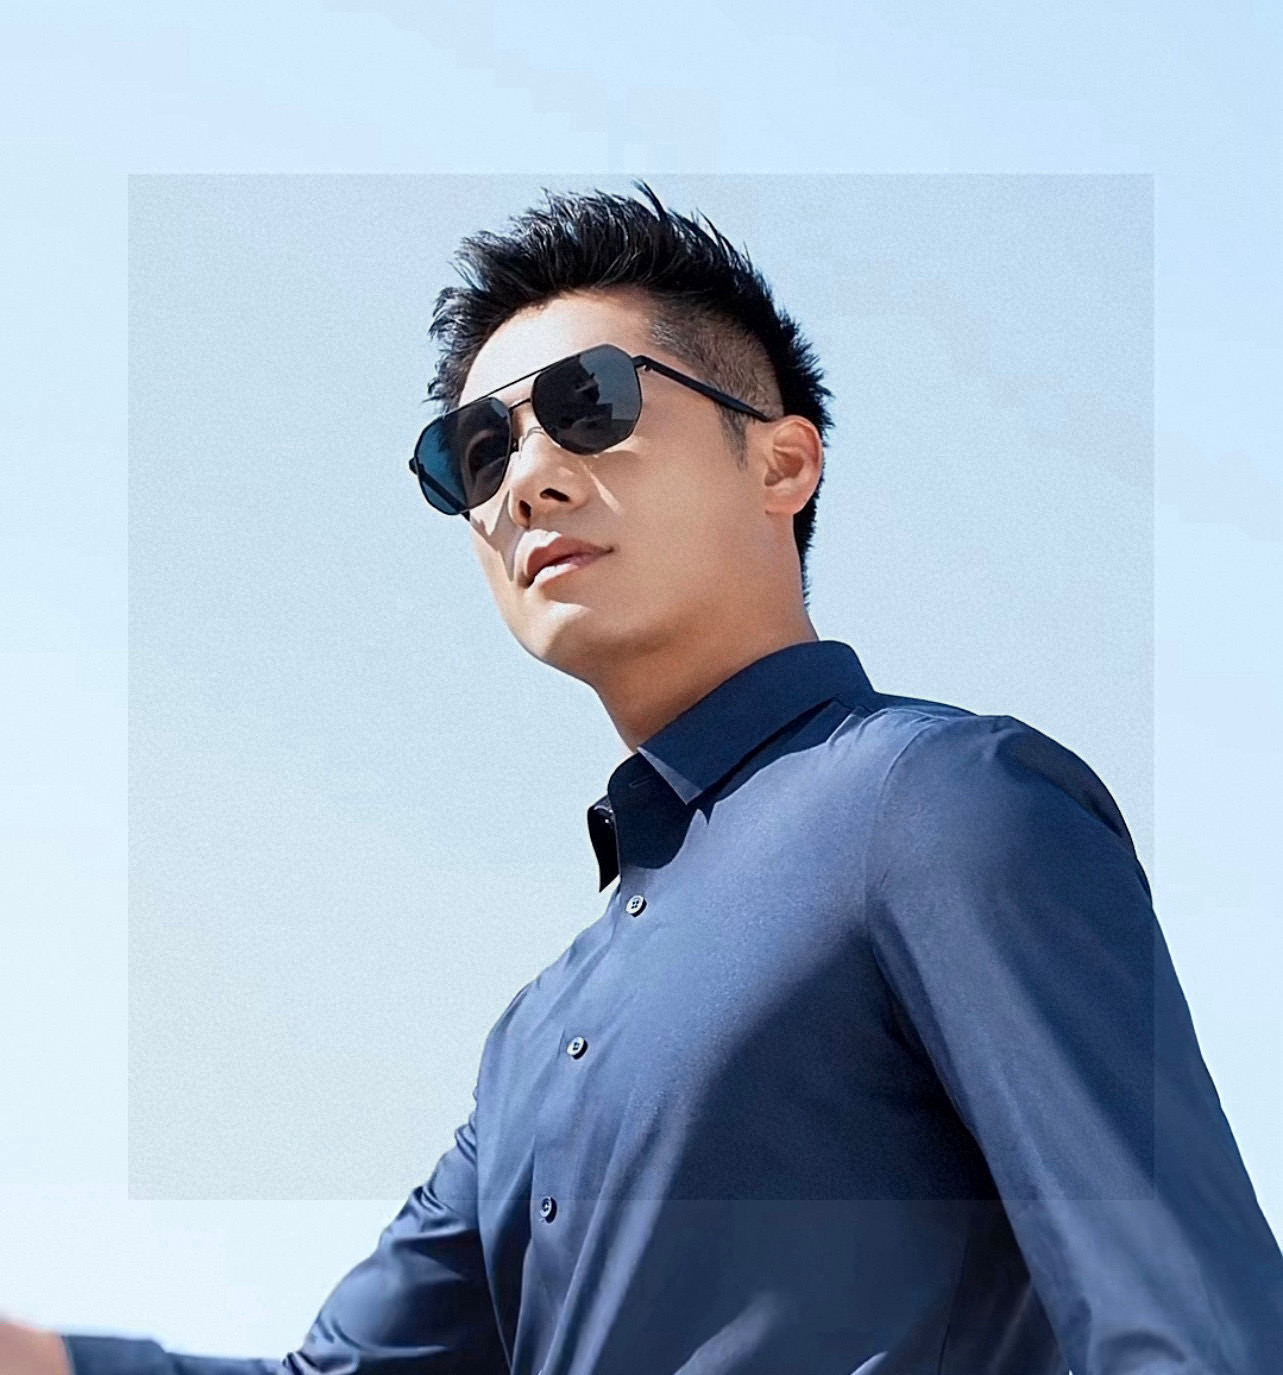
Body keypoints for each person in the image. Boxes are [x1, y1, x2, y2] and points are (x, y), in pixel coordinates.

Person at [4, 180, 1281, 1374]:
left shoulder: (939, 803)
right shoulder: (535, 1039)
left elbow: (1183, 1322)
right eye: (476, 454)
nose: (527, 479)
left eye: (590, 404)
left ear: (781, 463)